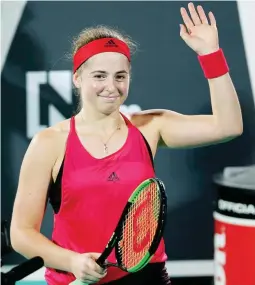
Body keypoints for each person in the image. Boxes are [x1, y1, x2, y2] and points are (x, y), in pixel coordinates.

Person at [10, 2, 243, 285]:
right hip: (75, 279)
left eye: (121, 76)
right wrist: (72, 261)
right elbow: (21, 233)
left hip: (147, 277)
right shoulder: (49, 143)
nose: (112, 86)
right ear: (77, 78)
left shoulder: (150, 127)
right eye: (99, 76)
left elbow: (228, 126)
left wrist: (211, 54)